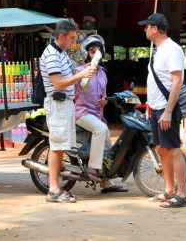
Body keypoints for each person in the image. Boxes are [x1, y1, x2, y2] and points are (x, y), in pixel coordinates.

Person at [40, 20, 96, 203]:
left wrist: (83, 72)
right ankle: (53, 189)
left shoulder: (62, 53)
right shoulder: (51, 55)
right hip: (58, 104)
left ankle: (56, 187)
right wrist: (80, 75)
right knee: (56, 147)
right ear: (61, 36)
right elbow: (57, 84)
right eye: (72, 38)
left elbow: (68, 77)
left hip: (65, 105)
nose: (74, 41)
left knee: (61, 146)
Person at [138, 13, 186, 208]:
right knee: (161, 148)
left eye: (147, 26)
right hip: (157, 108)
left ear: (155, 29)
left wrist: (168, 111)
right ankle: (169, 190)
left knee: (174, 149)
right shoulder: (158, 50)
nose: (145, 30)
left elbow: (177, 81)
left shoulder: (172, 50)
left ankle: (181, 194)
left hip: (167, 108)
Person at [74, 34, 128, 193]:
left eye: (98, 51)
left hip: (97, 114)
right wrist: (87, 73)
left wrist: (104, 100)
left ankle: (106, 183)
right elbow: (82, 89)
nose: (95, 53)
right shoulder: (79, 71)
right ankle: (92, 167)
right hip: (82, 112)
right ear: (86, 53)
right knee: (101, 129)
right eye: (92, 51)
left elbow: (102, 95)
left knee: (107, 143)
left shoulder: (103, 73)